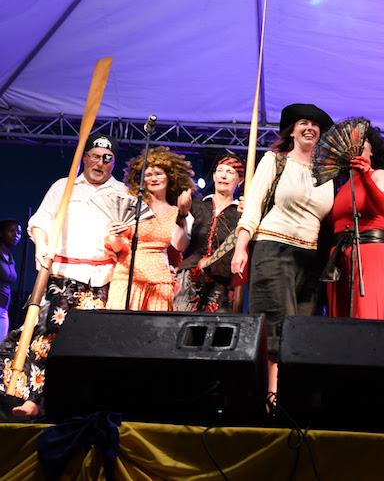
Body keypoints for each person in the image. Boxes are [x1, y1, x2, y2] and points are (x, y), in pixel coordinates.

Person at [0, 133, 127, 419]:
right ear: (84, 158)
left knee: (86, 345)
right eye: (94, 156)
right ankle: (32, 399)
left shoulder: (122, 192)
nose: (100, 163)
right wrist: (42, 246)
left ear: (113, 162)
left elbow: (127, 243)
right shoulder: (65, 186)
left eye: (107, 158)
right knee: (43, 339)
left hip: (100, 280)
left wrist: (118, 241)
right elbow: (41, 222)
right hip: (61, 276)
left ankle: (75, 405)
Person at [232, 103, 335, 397]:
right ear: (291, 130)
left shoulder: (327, 174)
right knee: (277, 326)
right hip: (273, 249)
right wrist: (241, 247)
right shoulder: (274, 161)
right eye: (303, 122)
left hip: (311, 258)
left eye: (315, 125)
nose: (310, 128)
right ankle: (270, 398)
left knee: (300, 328)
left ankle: (292, 398)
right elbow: (252, 206)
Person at [105, 146, 194, 311]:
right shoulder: (132, 205)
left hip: (159, 282)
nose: (153, 178)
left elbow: (179, 245)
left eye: (158, 173)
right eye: (148, 175)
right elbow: (117, 247)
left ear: (170, 177)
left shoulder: (175, 211)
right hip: (128, 278)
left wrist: (182, 213)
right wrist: (114, 235)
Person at [325, 119, 384, 319]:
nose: (354, 147)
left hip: (371, 250)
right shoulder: (341, 186)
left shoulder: (379, 175)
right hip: (339, 255)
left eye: (360, 142)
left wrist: (366, 175)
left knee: (365, 316)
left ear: (371, 150)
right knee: (337, 320)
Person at [173, 155, 244, 313]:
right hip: (190, 275)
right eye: (220, 171)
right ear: (214, 176)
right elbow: (178, 244)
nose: (223, 175)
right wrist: (182, 213)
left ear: (240, 180)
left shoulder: (241, 213)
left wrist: (249, 214)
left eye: (230, 172)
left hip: (222, 281)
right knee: (181, 323)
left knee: (213, 331)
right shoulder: (197, 205)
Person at [0, 220, 22, 341]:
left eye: (18, 232)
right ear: (1, 233)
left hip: (3, 309)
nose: (16, 235)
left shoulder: (10, 258)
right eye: (11, 231)